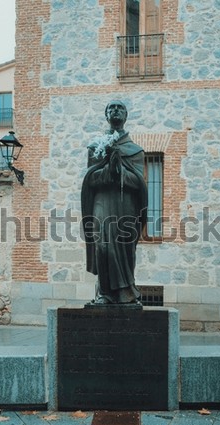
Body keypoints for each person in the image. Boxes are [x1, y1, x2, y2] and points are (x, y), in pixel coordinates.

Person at [81, 100, 148, 304]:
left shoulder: (135, 151)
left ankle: (125, 293)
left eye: (120, 108)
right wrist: (108, 170)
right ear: (106, 115)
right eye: (111, 108)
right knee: (103, 245)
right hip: (102, 201)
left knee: (125, 246)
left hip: (125, 203)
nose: (116, 110)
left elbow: (138, 182)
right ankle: (104, 293)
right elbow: (91, 178)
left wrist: (120, 171)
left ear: (125, 116)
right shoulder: (96, 147)